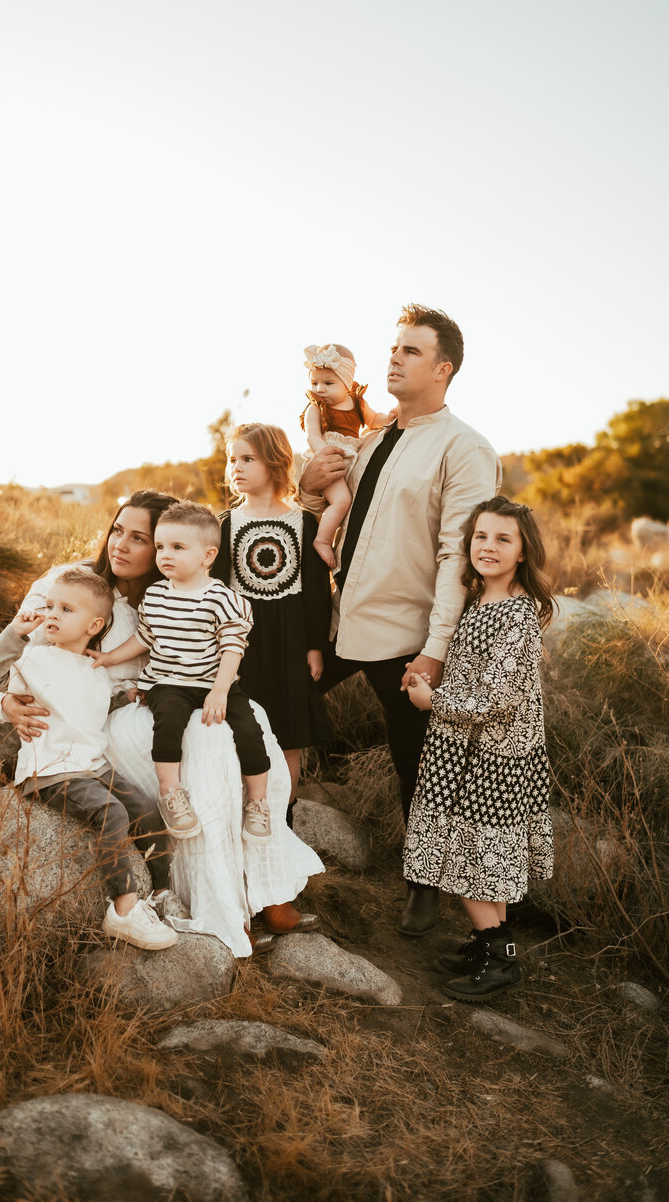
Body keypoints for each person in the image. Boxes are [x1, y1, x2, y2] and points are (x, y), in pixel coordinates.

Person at [0, 490, 324, 957]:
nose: (122, 544)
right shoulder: (70, 585)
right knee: (205, 747)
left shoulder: (176, 593)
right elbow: (15, 664)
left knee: (245, 724)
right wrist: (7, 706)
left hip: (154, 698)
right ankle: (223, 908)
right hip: (104, 722)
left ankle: (267, 892)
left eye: (141, 538)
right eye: (117, 531)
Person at [299, 304, 502, 936]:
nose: (393, 358)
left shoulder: (464, 447)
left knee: (418, 761)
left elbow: (458, 556)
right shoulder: (370, 440)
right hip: (337, 620)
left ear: (443, 369)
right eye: (392, 348)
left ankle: (425, 884)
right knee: (275, 700)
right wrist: (308, 482)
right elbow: (323, 512)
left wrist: (437, 648)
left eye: (410, 351)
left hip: (407, 633)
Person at [0, 565, 177, 951]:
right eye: (50, 605)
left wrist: (129, 695)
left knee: (147, 809)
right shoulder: (34, 658)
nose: (51, 614)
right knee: (112, 813)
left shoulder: (93, 665)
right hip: (53, 770)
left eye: (66, 609)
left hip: (93, 765)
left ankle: (162, 892)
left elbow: (91, 704)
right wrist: (15, 632)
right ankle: (123, 910)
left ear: (94, 624)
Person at [402, 497, 555, 999]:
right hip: (460, 748)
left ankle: (499, 956)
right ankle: (487, 944)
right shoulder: (479, 601)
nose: (488, 547)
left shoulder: (516, 616)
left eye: (502, 539)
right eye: (481, 537)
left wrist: (432, 700)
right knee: (473, 854)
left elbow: (496, 700)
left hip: (491, 756)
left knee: (473, 856)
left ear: (523, 553)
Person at [88, 501, 272, 845]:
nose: (165, 555)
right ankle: (171, 793)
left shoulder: (223, 598)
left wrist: (219, 691)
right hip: (168, 682)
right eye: (159, 547)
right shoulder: (156, 595)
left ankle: (258, 802)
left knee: (249, 729)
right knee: (168, 725)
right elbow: (144, 637)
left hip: (215, 683)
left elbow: (233, 647)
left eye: (177, 547)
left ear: (207, 556)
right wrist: (108, 657)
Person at [212, 423, 332, 827]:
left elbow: (316, 591)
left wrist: (314, 646)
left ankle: (282, 818)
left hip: (289, 643)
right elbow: (213, 589)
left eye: (248, 459)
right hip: (240, 646)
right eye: (233, 460)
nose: (237, 468)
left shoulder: (304, 523)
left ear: (276, 462)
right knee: (241, 733)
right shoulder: (226, 524)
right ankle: (244, 811)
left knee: (288, 738)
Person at [300, 344, 393, 567]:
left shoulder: (358, 403)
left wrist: (390, 417)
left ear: (347, 383)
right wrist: (325, 454)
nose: (320, 388)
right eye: (315, 382)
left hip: (350, 458)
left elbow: (373, 420)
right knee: (342, 500)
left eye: (328, 383)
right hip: (329, 460)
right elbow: (313, 437)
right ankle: (322, 541)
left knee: (351, 506)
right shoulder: (316, 407)